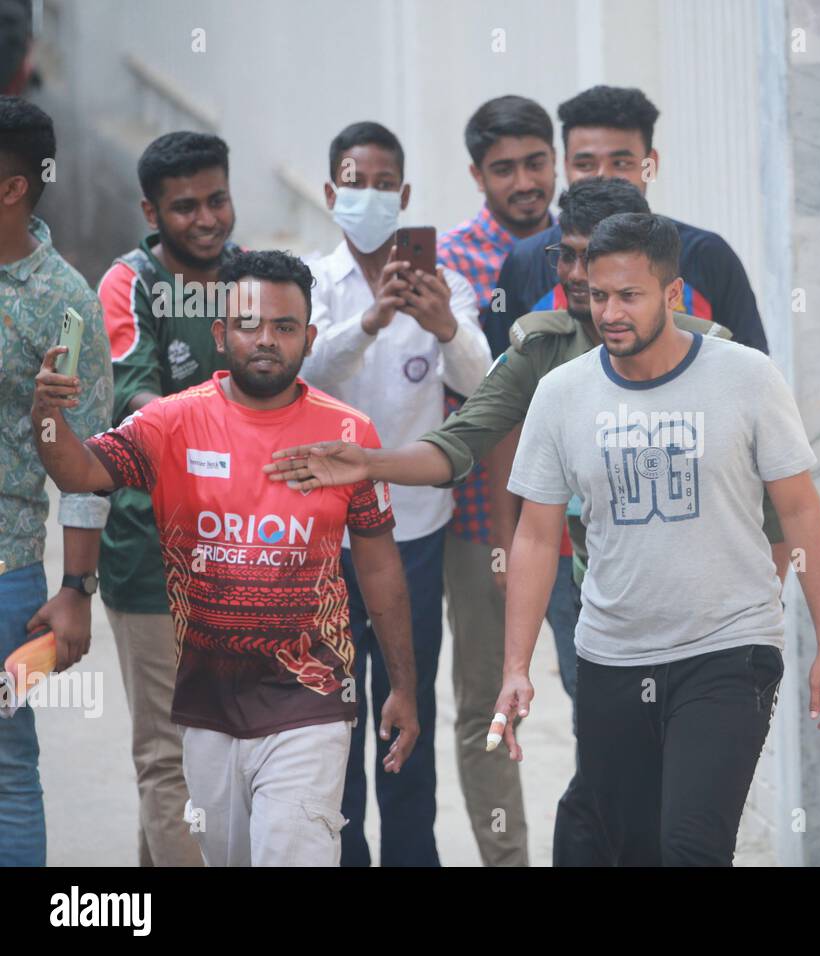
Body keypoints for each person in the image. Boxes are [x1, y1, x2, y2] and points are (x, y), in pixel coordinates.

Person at [263, 181, 785, 865]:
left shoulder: (717, 359)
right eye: (564, 259)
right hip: (601, 610)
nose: (569, 276)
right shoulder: (546, 352)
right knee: (599, 819)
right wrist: (368, 463)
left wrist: (758, 623)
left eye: (587, 264)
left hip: (713, 634)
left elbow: (781, 509)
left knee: (685, 832)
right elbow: (461, 443)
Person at [33, 249, 419, 867]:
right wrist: (48, 417)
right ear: (221, 333)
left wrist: (402, 685)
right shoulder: (170, 423)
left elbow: (378, 566)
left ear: (309, 337)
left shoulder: (349, 435)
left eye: (285, 327)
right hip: (207, 705)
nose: (265, 340)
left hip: (309, 702)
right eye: (249, 324)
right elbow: (81, 473)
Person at [496, 213, 820, 865]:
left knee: (691, 844)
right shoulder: (561, 394)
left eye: (628, 295)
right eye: (598, 294)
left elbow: (801, 513)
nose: (609, 312)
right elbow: (537, 536)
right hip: (612, 653)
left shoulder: (745, 377)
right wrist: (515, 666)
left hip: (728, 647)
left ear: (672, 295)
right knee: (630, 845)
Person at [300, 121, 490, 868]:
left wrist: (443, 326)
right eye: (356, 181)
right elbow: (301, 373)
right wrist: (370, 321)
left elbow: (483, 388)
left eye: (385, 185)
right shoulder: (310, 284)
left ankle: (413, 856)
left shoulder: (449, 287)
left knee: (409, 707)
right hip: (327, 538)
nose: (370, 196)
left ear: (405, 195)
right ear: (329, 193)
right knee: (333, 717)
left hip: (413, 534)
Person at [96, 130, 238, 867]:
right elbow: (135, 396)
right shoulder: (130, 282)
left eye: (218, 199)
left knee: (216, 753)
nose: (208, 219)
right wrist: (221, 435)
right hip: (150, 556)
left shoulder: (250, 277)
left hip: (245, 548)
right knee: (168, 754)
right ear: (152, 210)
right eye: (186, 207)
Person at [434, 95, 556, 867]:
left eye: (535, 162)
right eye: (504, 168)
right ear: (477, 174)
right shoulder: (449, 265)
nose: (524, 182)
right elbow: (476, 397)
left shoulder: (592, 250)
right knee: (486, 701)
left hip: (586, 527)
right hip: (483, 522)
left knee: (608, 695)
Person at [0, 94, 112, 867]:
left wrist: (75, 589)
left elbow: (90, 461)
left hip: (6, 574)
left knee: (6, 767)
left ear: (11, 188)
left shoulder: (64, 301)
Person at [490, 85, 767, 353]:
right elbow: (499, 374)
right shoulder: (524, 262)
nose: (603, 176)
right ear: (565, 166)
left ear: (650, 165)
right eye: (584, 164)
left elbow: (751, 370)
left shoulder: (707, 255)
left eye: (621, 163)